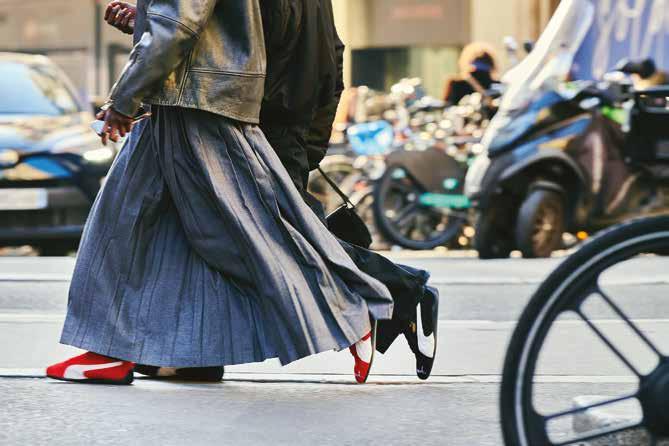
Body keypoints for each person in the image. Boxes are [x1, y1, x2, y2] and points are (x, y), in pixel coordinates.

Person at [46, 0, 394, 385]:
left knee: (235, 232)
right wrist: (145, 19)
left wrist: (124, 98)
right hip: (191, 100)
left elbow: (178, 22)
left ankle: (351, 305)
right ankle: (111, 352)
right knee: (131, 224)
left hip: (194, 103)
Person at [258, 0, 440, 382]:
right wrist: (311, 141)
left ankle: (405, 290)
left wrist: (306, 142)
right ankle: (402, 293)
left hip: (270, 132)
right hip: (283, 132)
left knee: (292, 240)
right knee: (291, 238)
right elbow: (335, 60)